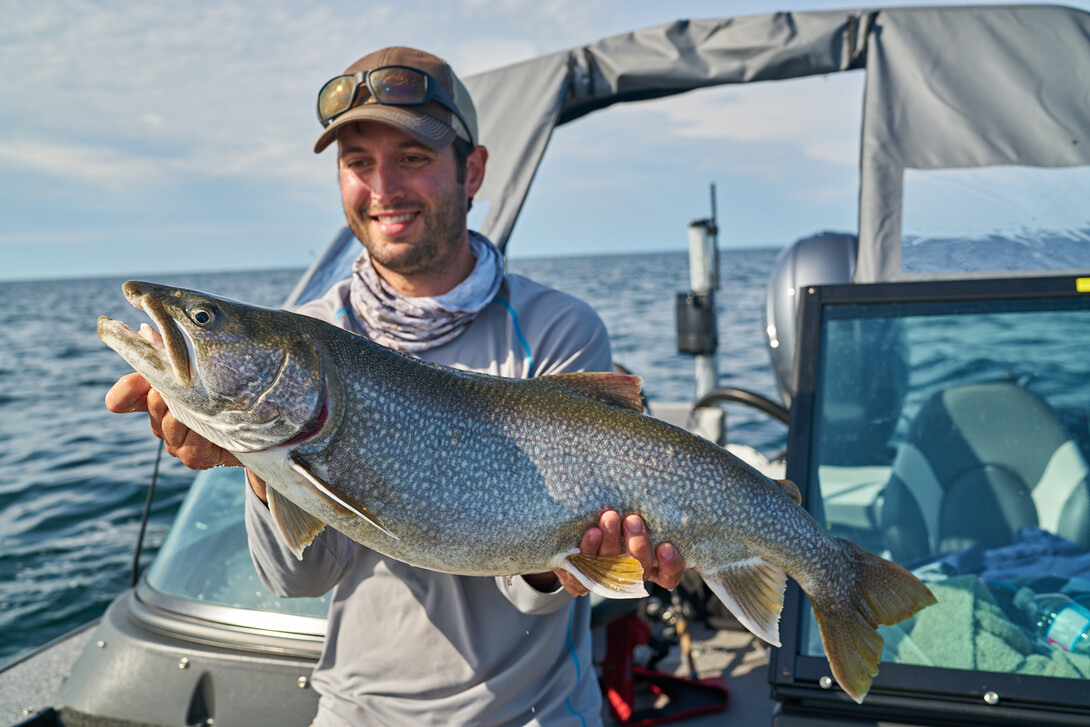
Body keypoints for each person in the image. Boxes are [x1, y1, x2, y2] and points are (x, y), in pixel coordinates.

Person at [106, 46, 684, 727]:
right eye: (358, 162)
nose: (382, 188)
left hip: (533, 712)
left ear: (472, 170)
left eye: (412, 156)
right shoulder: (313, 332)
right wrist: (258, 467)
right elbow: (299, 578)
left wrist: (587, 559)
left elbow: (539, 599)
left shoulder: (556, 327)